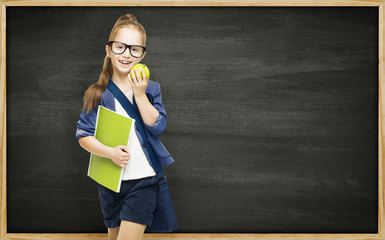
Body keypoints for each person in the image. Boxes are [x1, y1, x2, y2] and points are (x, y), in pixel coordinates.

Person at [75, 14, 175, 240]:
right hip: (110, 183)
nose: (127, 54)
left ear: (143, 55)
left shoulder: (151, 89)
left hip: (144, 181)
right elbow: (83, 136)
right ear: (109, 50)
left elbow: (157, 126)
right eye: (120, 47)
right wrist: (109, 153)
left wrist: (140, 95)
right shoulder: (98, 94)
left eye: (134, 49)